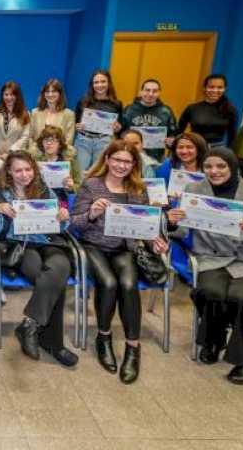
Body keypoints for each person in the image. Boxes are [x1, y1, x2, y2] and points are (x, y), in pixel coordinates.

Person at [167, 147, 243, 385]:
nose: (214, 171)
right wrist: (172, 222)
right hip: (213, 258)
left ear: (233, 167)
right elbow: (183, 230)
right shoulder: (194, 191)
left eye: (221, 166)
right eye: (209, 167)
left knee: (242, 297)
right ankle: (214, 338)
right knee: (210, 291)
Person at [70, 139, 169, 384]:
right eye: (117, 160)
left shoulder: (137, 189)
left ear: (134, 164)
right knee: (108, 282)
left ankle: (132, 348)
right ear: (107, 159)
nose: (121, 165)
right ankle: (103, 338)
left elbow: (145, 225)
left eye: (127, 161)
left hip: (126, 247)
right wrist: (92, 212)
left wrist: (155, 239)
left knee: (127, 284)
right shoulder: (91, 185)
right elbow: (74, 224)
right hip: (94, 246)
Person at [0, 150, 78, 367]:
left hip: (48, 242)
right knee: (54, 283)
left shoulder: (44, 189)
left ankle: (29, 324)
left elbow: (61, 227)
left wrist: (63, 217)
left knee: (60, 268)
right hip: (20, 246)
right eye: (18, 170)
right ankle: (53, 343)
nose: (24, 175)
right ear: (9, 172)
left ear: (34, 169)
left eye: (28, 169)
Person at [74, 69, 123, 172]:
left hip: (104, 141)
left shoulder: (116, 104)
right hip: (84, 141)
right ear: (92, 85)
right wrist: (77, 126)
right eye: (96, 82)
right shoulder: (83, 102)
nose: (99, 85)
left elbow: (119, 127)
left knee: (99, 173)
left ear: (109, 83)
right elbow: (76, 123)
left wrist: (118, 128)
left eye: (103, 81)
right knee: (79, 173)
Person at [120, 79, 176, 163]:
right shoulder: (129, 110)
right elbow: (121, 133)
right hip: (131, 156)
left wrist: (171, 141)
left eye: (155, 91)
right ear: (141, 91)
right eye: (147, 90)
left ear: (159, 93)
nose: (150, 94)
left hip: (156, 158)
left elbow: (173, 133)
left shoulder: (166, 111)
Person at [177, 74, 238, 148]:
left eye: (220, 87)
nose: (215, 90)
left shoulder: (230, 110)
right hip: (194, 149)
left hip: (218, 151)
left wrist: (230, 154)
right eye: (211, 87)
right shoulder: (192, 108)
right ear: (204, 88)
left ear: (224, 89)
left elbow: (232, 136)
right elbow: (178, 132)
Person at [32, 125, 81, 204]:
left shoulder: (70, 160)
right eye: (45, 140)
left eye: (53, 140)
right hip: (41, 200)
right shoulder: (34, 161)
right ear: (41, 143)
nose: (49, 143)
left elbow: (79, 184)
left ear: (60, 144)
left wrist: (71, 188)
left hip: (63, 200)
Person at [0, 80, 30, 159]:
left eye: (12, 95)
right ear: (2, 96)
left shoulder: (26, 114)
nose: (9, 97)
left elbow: (25, 136)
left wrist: (10, 152)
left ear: (17, 96)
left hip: (14, 156)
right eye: (6, 94)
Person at [29, 78, 75, 150]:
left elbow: (68, 141)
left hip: (59, 155)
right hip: (37, 153)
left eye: (53, 91)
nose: (50, 94)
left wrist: (54, 153)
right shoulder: (35, 112)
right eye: (47, 91)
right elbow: (30, 137)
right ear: (43, 94)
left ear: (60, 94)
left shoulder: (69, 114)